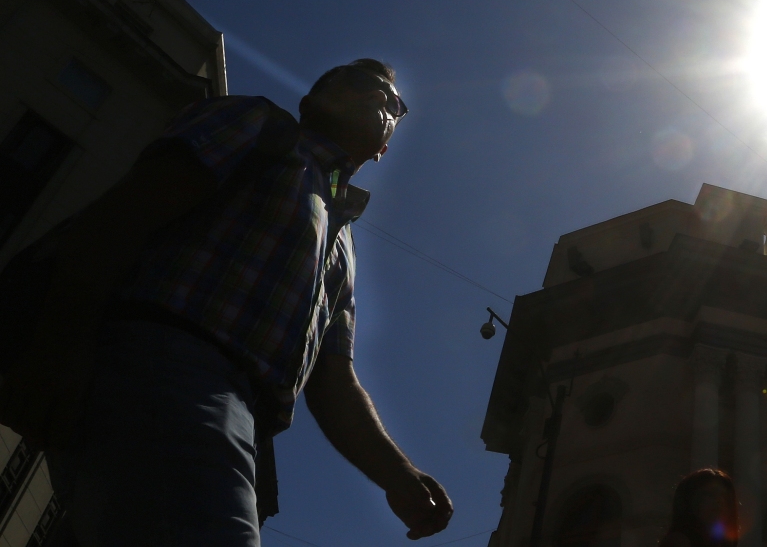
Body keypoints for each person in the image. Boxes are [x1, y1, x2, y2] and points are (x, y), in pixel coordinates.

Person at [20, 58, 452, 545]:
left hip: (244, 423)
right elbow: (125, 216)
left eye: (393, 103)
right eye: (359, 85)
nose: (379, 99)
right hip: (161, 362)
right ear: (312, 102)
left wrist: (401, 476)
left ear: (384, 148)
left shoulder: (343, 246)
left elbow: (333, 381)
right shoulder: (256, 125)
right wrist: (61, 346)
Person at [659, 469, 740, 547]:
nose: (719, 501)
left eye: (725, 496)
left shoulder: (721, 541)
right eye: (710, 495)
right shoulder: (679, 541)